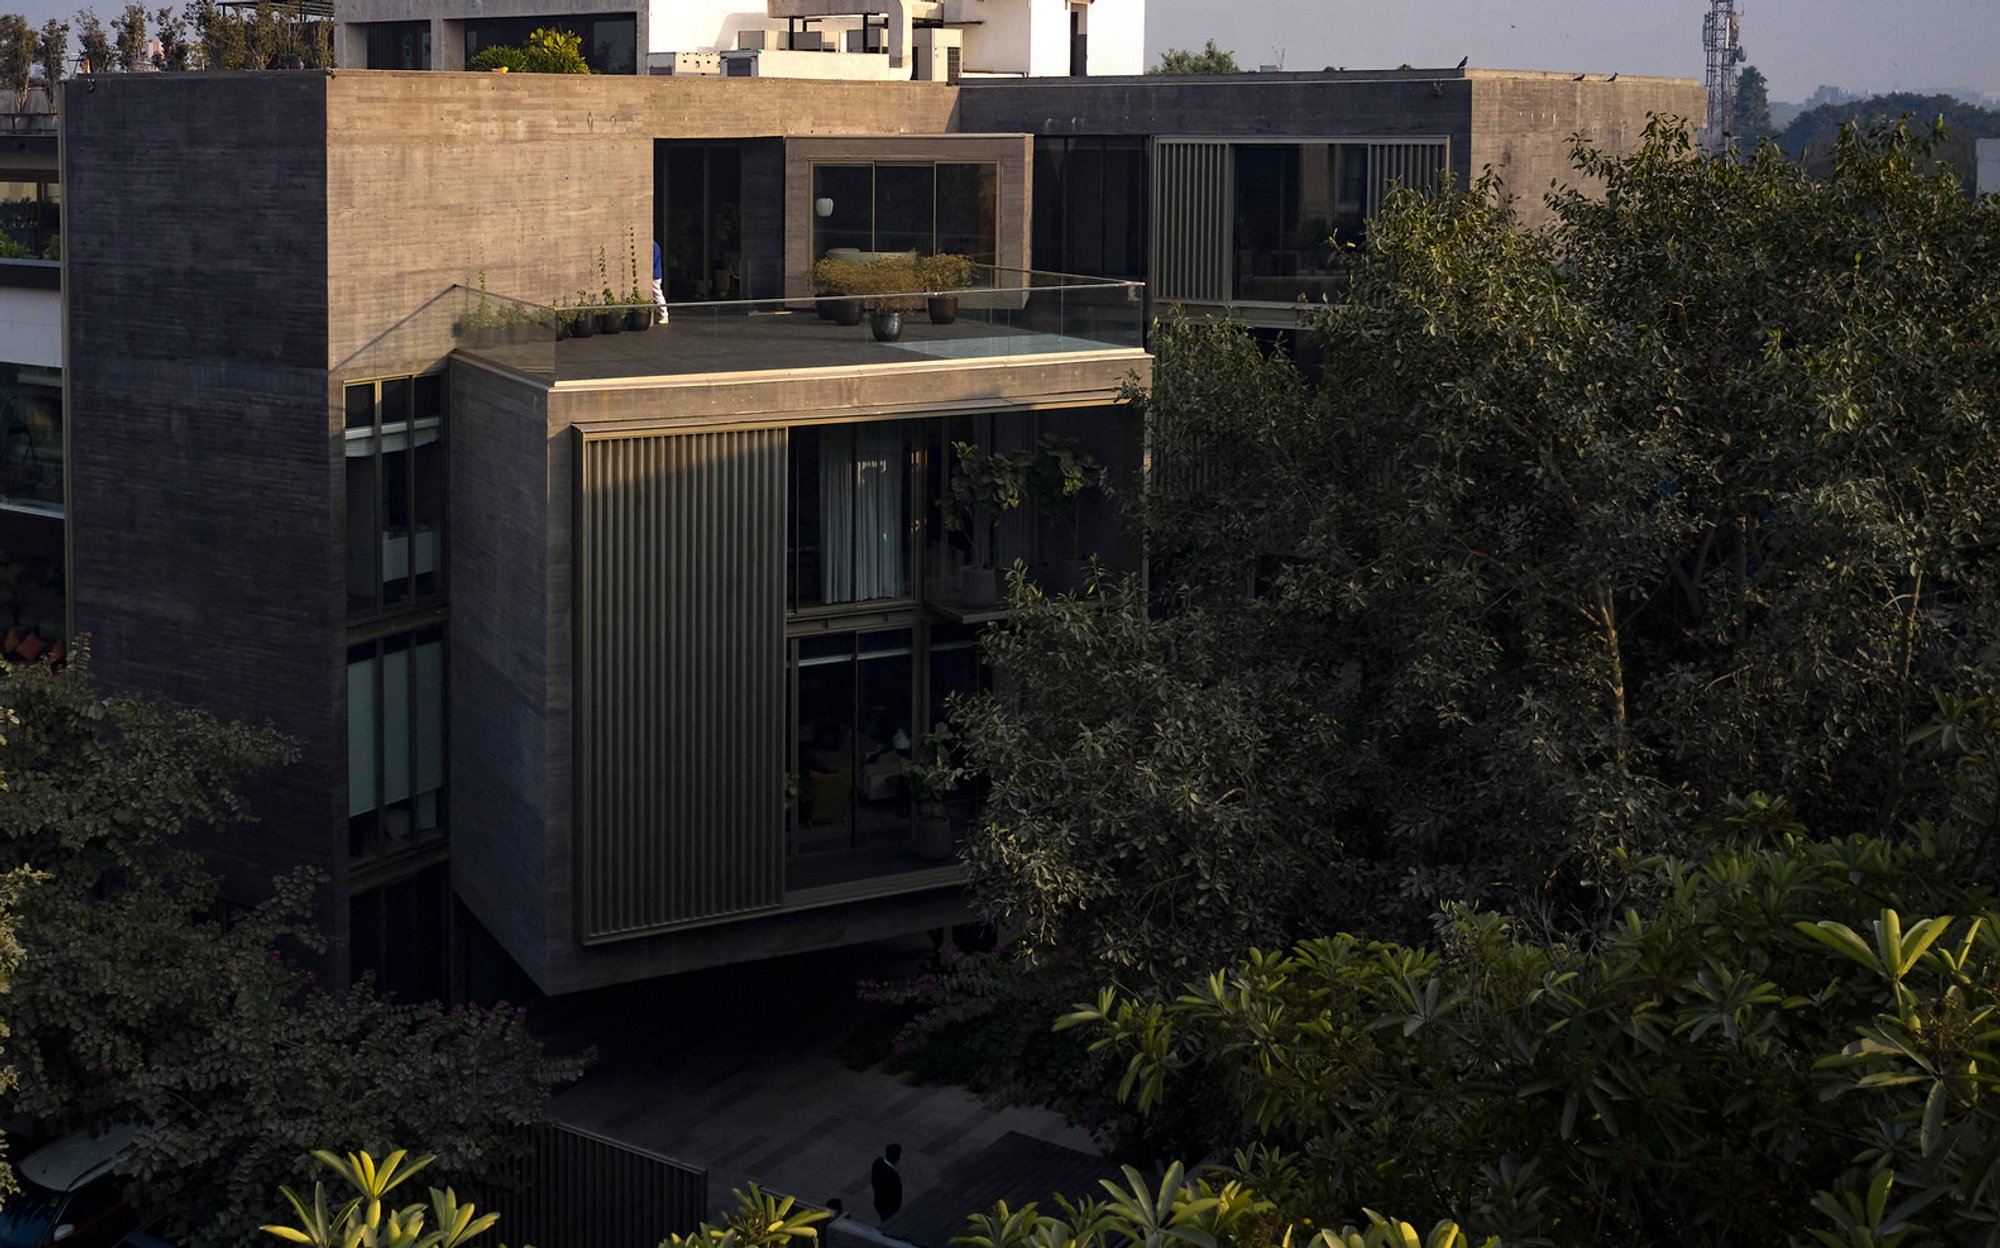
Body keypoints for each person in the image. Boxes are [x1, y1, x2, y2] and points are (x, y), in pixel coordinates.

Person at [870, 1143, 903, 1222]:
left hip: (878, 1201)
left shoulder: (877, 1162)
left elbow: (873, 1181)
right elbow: (897, 1195)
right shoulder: (893, 1175)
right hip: (889, 1208)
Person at [652, 239, 669, 324]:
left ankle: (664, 314)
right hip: (656, 273)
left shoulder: (654, 246)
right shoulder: (655, 245)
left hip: (655, 274)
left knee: (657, 294)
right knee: (656, 294)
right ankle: (661, 313)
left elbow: (653, 261)